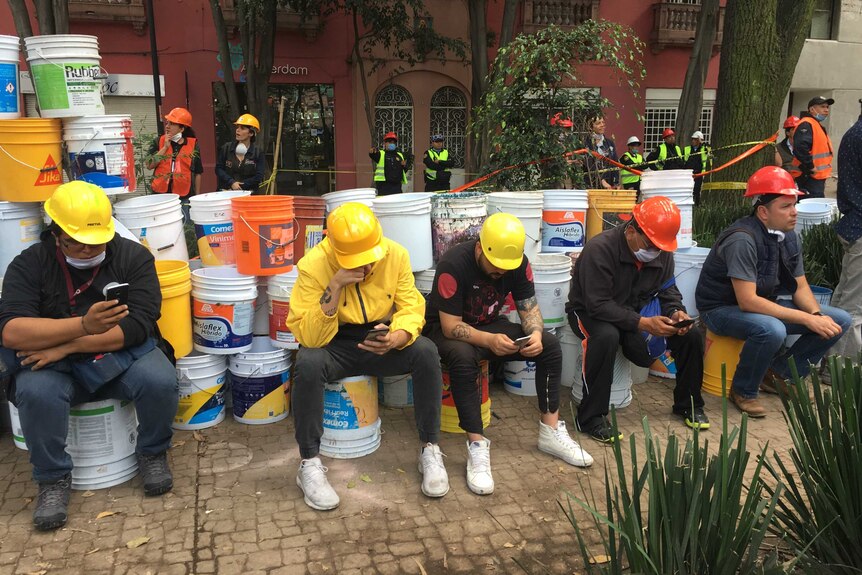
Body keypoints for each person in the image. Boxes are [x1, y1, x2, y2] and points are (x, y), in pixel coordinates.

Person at [0, 181, 178, 531]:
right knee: (36, 391)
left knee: (159, 378)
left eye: (95, 243)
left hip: (111, 351)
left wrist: (66, 343)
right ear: (56, 234)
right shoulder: (30, 264)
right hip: (54, 364)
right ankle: (52, 479)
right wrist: (83, 324)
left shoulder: (132, 257)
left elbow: (139, 325)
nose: (85, 250)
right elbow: (12, 330)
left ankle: (152, 452)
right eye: (75, 242)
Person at [286, 202, 448, 510]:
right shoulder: (313, 264)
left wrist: (399, 335)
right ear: (334, 250)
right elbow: (309, 336)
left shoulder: (395, 254)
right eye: (356, 261)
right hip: (333, 340)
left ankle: (430, 447)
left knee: (426, 351)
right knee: (308, 362)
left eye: (369, 258)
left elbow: (412, 306)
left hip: (381, 336)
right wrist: (334, 286)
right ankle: (308, 462)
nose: (366, 266)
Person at [424, 213, 593, 496]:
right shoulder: (453, 264)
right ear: (480, 248)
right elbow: (450, 327)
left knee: (549, 345)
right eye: (495, 266)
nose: (501, 272)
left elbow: (529, 310)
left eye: (507, 267)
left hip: (489, 327)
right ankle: (477, 446)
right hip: (445, 330)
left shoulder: (518, 265)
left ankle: (550, 431)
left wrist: (536, 335)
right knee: (464, 358)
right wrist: (489, 340)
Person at [696, 166, 851, 417]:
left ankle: (779, 375)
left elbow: (800, 286)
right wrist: (806, 318)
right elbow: (747, 301)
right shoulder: (742, 240)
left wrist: (816, 314)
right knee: (772, 329)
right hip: (720, 309)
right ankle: (744, 390)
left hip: (761, 304)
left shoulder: (788, 236)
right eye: (786, 206)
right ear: (763, 212)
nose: (794, 212)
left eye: (794, 204)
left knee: (838, 320)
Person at [566, 197, 707, 441]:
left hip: (635, 313)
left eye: (660, 247)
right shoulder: (600, 249)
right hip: (589, 312)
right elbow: (597, 305)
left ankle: (688, 404)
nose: (655, 252)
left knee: (691, 334)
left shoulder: (661, 252)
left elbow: (668, 289)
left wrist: (676, 312)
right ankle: (590, 417)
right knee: (606, 336)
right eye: (651, 245)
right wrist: (643, 323)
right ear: (631, 231)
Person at [829, 113, 862, 359]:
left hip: (853, 225)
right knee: (854, 305)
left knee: (842, 299)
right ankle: (839, 367)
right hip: (859, 227)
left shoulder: (854, 134)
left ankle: (828, 356)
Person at [147, 107, 203, 200]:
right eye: (167, 122)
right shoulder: (158, 141)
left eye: (172, 124)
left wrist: (196, 198)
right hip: (160, 194)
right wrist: (165, 148)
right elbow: (149, 165)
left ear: (182, 128)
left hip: (184, 195)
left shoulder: (193, 144)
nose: (167, 126)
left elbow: (198, 172)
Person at [790, 96, 835, 198]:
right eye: (822, 107)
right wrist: (811, 166)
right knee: (812, 206)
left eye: (827, 107)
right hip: (809, 176)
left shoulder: (814, 124)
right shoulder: (807, 124)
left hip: (815, 176)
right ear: (812, 109)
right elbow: (800, 147)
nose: (826, 110)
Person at [215, 113, 268, 193]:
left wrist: (241, 185)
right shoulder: (226, 148)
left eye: (242, 128)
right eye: (237, 127)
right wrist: (231, 182)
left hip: (248, 195)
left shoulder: (257, 152)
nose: (237, 130)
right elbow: (218, 169)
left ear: (251, 133)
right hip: (226, 193)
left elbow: (259, 176)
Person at [583, 117, 619, 189]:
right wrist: (602, 181)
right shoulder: (586, 144)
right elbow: (588, 165)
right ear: (590, 126)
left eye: (603, 122)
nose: (602, 125)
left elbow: (615, 163)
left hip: (609, 184)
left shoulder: (610, 143)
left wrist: (616, 182)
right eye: (598, 123)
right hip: (592, 185)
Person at [684, 131, 712, 206]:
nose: (693, 141)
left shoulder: (704, 149)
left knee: (697, 190)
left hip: (699, 173)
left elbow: (710, 155)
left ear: (699, 140)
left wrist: (707, 147)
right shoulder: (687, 149)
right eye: (692, 139)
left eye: (695, 139)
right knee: (688, 190)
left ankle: (696, 205)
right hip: (689, 174)